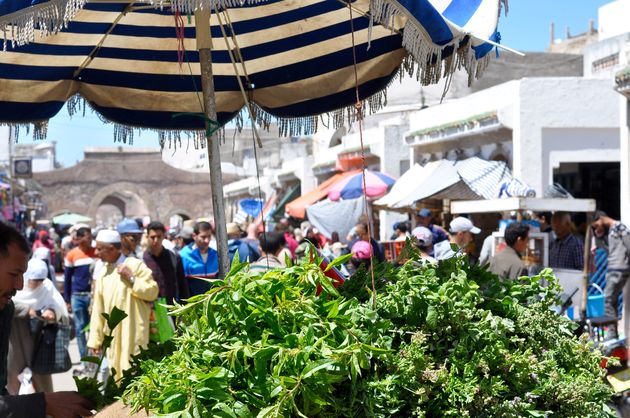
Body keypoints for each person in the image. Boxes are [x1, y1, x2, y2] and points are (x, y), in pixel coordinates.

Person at [0, 222, 94, 417]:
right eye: (14, 274)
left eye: (23, 276)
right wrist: (42, 404)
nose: (19, 285)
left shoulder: (4, 309)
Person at [87, 229, 159, 381]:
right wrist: (95, 340)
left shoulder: (135, 265)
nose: (96, 252)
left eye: (100, 248)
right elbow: (98, 310)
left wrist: (131, 278)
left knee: (135, 375)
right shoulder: (102, 274)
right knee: (116, 377)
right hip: (113, 336)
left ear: (112, 249)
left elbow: (152, 292)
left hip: (134, 333)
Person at [8, 258, 69, 394]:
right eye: (34, 281)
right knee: (13, 379)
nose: (37, 284)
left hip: (38, 340)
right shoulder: (14, 283)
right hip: (14, 337)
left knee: (42, 380)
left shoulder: (46, 286)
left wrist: (52, 311)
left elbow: (56, 303)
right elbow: (8, 302)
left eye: (40, 281)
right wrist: (27, 309)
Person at [63, 226, 96, 376]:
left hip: (93, 296)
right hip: (78, 296)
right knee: (81, 329)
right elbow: (67, 279)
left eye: (90, 237)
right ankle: (85, 361)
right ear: (80, 238)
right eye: (87, 237)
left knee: (95, 329)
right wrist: (67, 300)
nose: (89, 240)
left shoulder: (97, 252)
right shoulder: (72, 255)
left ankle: (94, 361)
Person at [592, 211, 630, 338]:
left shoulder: (619, 227)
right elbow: (609, 250)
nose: (596, 228)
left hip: (619, 269)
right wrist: (598, 237)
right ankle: (613, 332)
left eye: (596, 225)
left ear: (601, 219)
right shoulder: (610, 231)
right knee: (610, 299)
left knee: (608, 298)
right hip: (613, 268)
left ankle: (612, 333)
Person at [143, 221, 189, 305]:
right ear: (147, 237)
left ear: (164, 236)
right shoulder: (142, 259)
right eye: (152, 237)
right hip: (149, 310)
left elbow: (182, 284)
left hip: (171, 308)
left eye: (159, 237)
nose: (156, 240)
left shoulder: (174, 257)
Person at [180, 221, 219, 296]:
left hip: (212, 303)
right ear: (194, 236)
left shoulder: (215, 255)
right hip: (192, 303)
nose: (207, 240)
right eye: (203, 237)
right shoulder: (184, 255)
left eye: (209, 236)